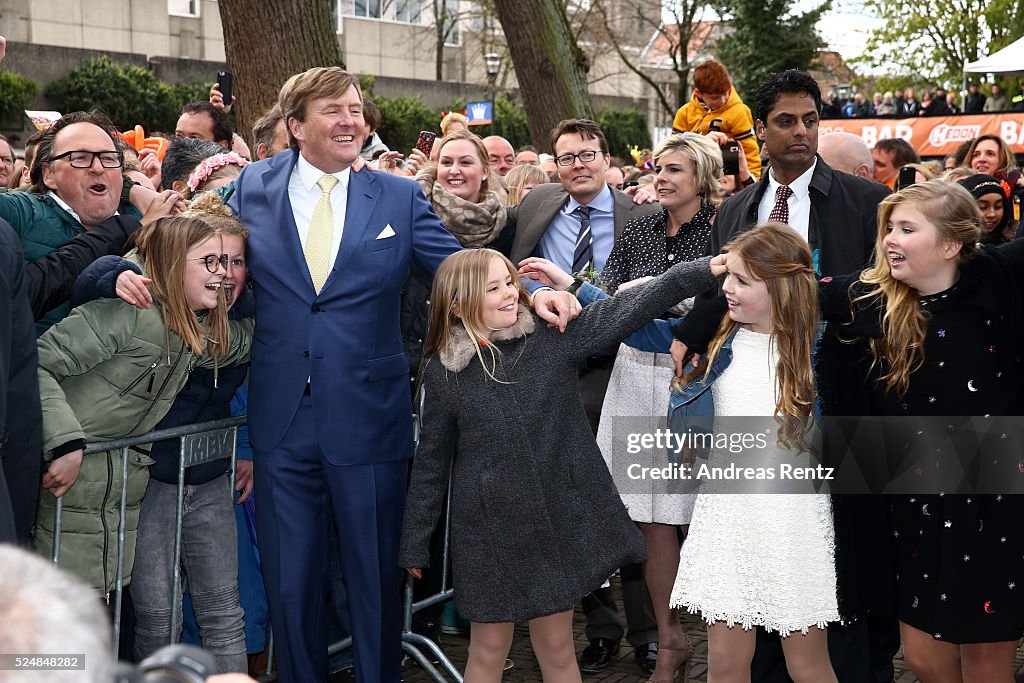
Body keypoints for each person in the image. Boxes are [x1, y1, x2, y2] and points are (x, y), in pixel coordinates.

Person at [222, 66, 463, 683]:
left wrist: (532, 290)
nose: (350, 120)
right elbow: (191, 253)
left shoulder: (400, 197)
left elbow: (459, 272)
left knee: (375, 584)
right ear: (295, 125)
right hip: (282, 423)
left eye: (356, 109)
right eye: (333, 110)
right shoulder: (250, 187)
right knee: (291, 586)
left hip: (369, 419)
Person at [667, 69, 893, 683]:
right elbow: (723, 288)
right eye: (786, 121)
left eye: (811, 119)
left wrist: (813, 301)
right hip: (749, 430)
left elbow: (882, 301)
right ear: (759, 128)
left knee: (833, 598)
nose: (801, 132)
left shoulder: (866, 203)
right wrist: (691, 335)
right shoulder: (737, 207)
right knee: (741, 637)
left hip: (836, 405)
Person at [400, 246, 717, 682]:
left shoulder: (555, 338)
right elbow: (432, 465)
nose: (510, 293)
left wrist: (700, 269)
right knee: (488, 650)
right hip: (488, 534)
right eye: (494, 288)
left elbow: (627, 307)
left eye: (510, 281)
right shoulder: (444, 373)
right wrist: (416, 541)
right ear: (458, 305)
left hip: (553, 524)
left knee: (558, 649)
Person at [816, 180, 1024, 682]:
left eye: (907, 228)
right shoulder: (869, 300)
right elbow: (779, 288)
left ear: (951, 244)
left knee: (986, 659)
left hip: (993, 499)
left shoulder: (1001, 283)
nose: (889, 238)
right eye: (888, 226)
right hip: (913, 502)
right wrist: (697, 321)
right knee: (924, 659)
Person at [33, 204, 253, 597]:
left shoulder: (189, 330)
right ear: (171, 264)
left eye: (226, 262)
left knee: (96, 621)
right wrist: (64, 443)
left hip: (113, 490)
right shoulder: (127, 312)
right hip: (64, 483)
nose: (222, 272)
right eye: (209, 262)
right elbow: (36, 367)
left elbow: (243, 343)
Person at [507, 117, 661, 676]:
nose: (577, 164)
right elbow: (499, 264)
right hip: (549, 371)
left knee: (632, 503)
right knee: (570, 501)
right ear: (554, 163)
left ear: (606, 157)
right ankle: (601, 629)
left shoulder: (642, 216)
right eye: (566, 156)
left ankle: (648, 634)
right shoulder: (534, 206)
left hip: (623, 368)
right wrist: (531, 289)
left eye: (588, 154)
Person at [671, 223, 838, 683]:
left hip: (791, 521)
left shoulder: (819, 351)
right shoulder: (721, 341)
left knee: (807, 663)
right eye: (728, 276)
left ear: (782, 287)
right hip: (727, 515)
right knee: (724, 664)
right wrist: (572, 290)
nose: (726, 286)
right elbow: (631, 323)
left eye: (742, 279)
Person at [593, 132, 724, 681]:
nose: (662, 177)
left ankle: (727, 645)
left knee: (710, 518)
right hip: (633, 381)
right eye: (658, 168)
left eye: (675, 169)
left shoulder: (723, 228)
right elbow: (604, 295)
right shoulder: (638, 228)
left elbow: (723, 307)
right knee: (650, 523)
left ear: (704, 177)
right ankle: (671, 643)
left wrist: (654, 301)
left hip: (695, 381)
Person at [672, 59, 761, 181]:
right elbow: (673, 150)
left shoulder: (739, 111)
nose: (723, 100)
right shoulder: (685, 113)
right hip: (693, 180)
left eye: (726, 93)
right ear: (699, 94)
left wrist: (753, 184)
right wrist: (702, 142)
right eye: (715, 97)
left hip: (727, 184)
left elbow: (750, 151)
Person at [958, 173, 1012, 245]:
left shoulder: (1010, 247)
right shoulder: (950, 246)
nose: (992, 214)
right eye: (982, 207)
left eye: (998, 206)